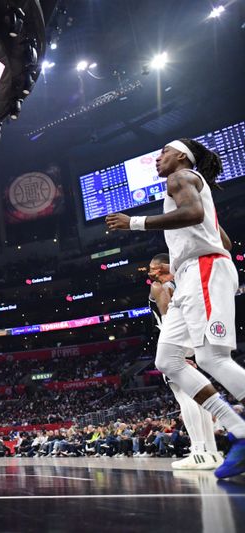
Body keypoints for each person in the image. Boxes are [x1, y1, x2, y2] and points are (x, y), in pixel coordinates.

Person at [106, 138, 245, 479]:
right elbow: (221, 238)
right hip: (191, 275)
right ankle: (238, 431)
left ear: (182, 156)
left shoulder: (181, 177)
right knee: (167, 360)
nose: (158, 158)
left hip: (204, 270)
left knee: (212, 358)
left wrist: (134, 223)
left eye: (164, 152)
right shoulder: (188, 184)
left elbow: (195, 215)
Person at [148, 253, 221, 470]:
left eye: (153, 268)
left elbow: (169, 317)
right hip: (192, 340)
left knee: (184, 397)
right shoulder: (187, 285)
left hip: (175, 342)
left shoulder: (159, 286)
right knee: (200, 398)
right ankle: (212, 453)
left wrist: (177, 352)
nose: (151, 272)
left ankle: (198, 453)